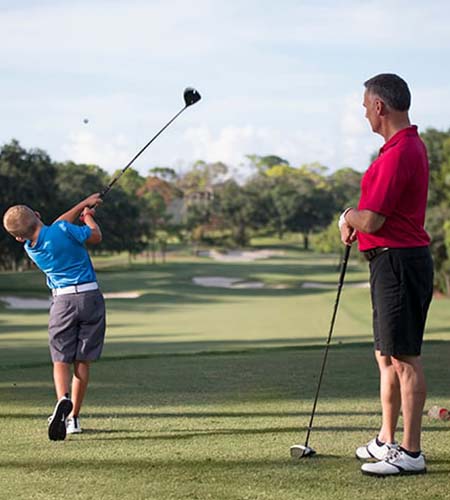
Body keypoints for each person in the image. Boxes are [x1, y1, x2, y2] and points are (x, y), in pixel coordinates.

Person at [339, 73, 433, 477]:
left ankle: (410, 453)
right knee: (386, 357)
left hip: (399, 262)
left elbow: (374, 220)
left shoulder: (399, 153)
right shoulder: (400, 147)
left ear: (380, 106)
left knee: (404, 358)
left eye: (365, 106)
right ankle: (386, 440)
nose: (363, 114)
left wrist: (346, 217)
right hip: (389, 262)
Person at [3, 193, 106, 441]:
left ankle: (63, 400)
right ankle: (74, 419)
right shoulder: (63, 229)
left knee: (60, 358)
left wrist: (82, 203)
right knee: (82, 360)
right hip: (90, 297)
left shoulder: (31, 248)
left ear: (18, 237)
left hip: (62, 302)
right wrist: (89, 217)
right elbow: (95, 236)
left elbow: (57, 225)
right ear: (38, 215)